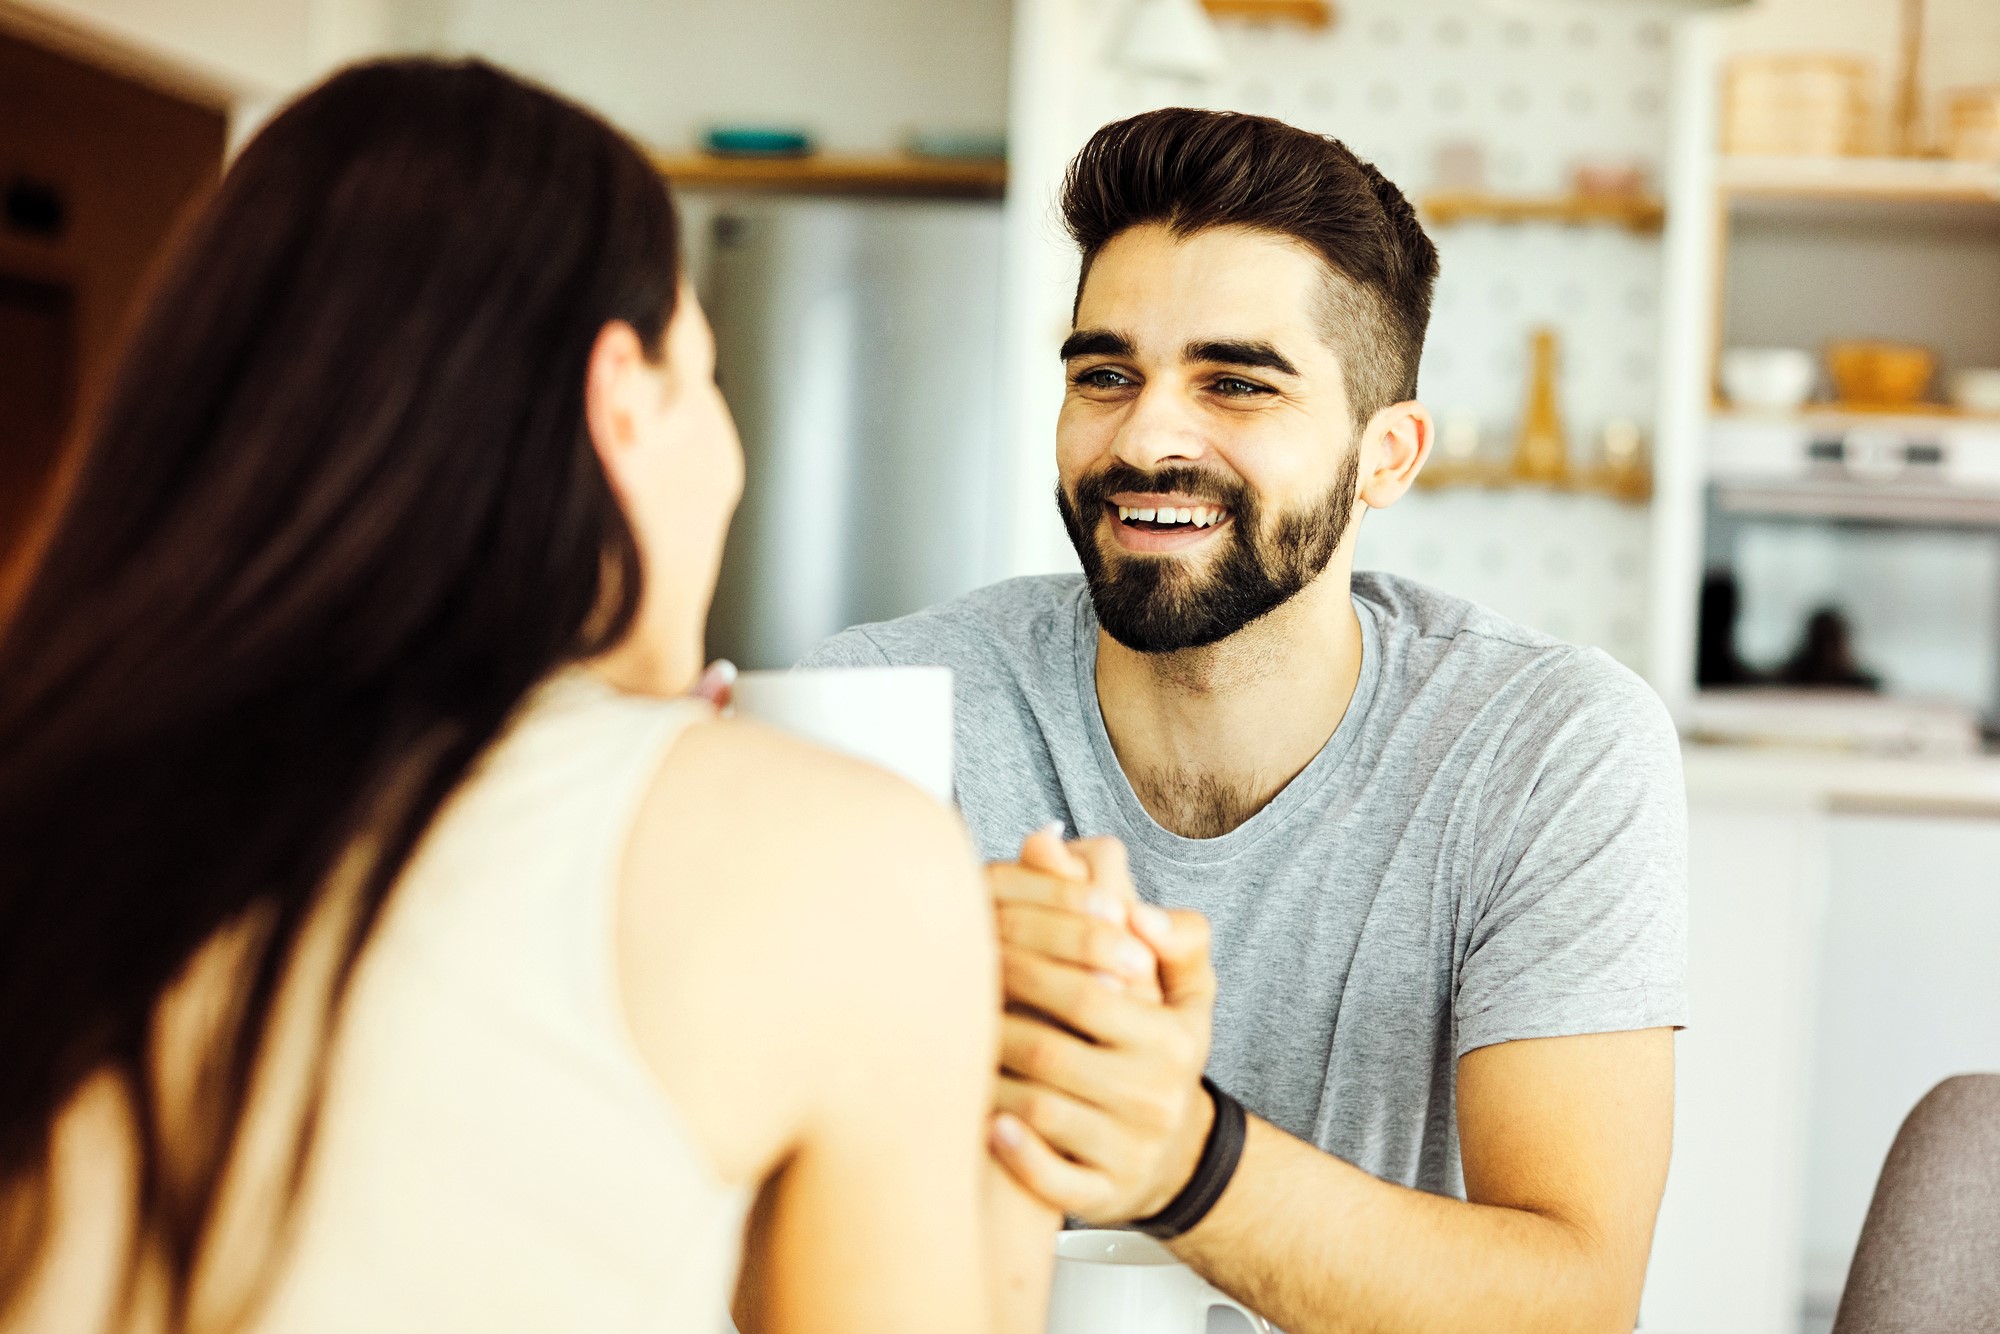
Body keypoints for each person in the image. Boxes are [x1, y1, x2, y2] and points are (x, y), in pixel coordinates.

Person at [0, 59, 1054, 1334]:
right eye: (706, 376)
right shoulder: (830, 854)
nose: (727, 461)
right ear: (622, 398)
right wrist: (1018, 1093)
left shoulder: (55, 775)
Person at [805, 107, 1688, 1333]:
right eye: (1104, 375)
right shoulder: (885, 712)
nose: (1147, 436)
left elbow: (1572, 1302)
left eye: (1235, 383)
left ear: (1385, 456)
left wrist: (1182, 1157)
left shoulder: (1545, 744)